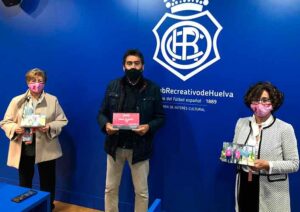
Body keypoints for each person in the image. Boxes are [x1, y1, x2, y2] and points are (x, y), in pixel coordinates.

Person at [97, 49, 165, 212]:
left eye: (136, 63)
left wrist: (149, 127)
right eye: (129, 63)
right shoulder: (113, 86)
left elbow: (160, 117)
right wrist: (106, 125)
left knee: (141, 192)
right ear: (123, 67)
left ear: (143, 66)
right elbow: (101, 113)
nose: (133, 67)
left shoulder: (153, 88)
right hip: (115, 146)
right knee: (110, 188)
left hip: (140, 147)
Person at [0, 68, 68, 210]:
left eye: (39, 81)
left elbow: (62, 120)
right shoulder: (17, 101)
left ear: (44, 83)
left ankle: (48, 206)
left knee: (48, 180)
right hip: (25, 146)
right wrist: (15, 128)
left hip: (46, 146)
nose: (36, 84)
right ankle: (27, 207)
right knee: (25, 180)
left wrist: (49, 126)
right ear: (27, 82)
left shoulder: (52, 100)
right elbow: (5, 122)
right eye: (33, 81)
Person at [233, 81, 299, 212]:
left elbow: (294, 164)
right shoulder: (242, 123)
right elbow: (236, 152)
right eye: (256, 100)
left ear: (273, 103)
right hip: (245, 184)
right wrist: (230, 154)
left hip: (271, 190)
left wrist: (267, 165)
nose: (260, 105)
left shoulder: (284, 128)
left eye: (264, 100)